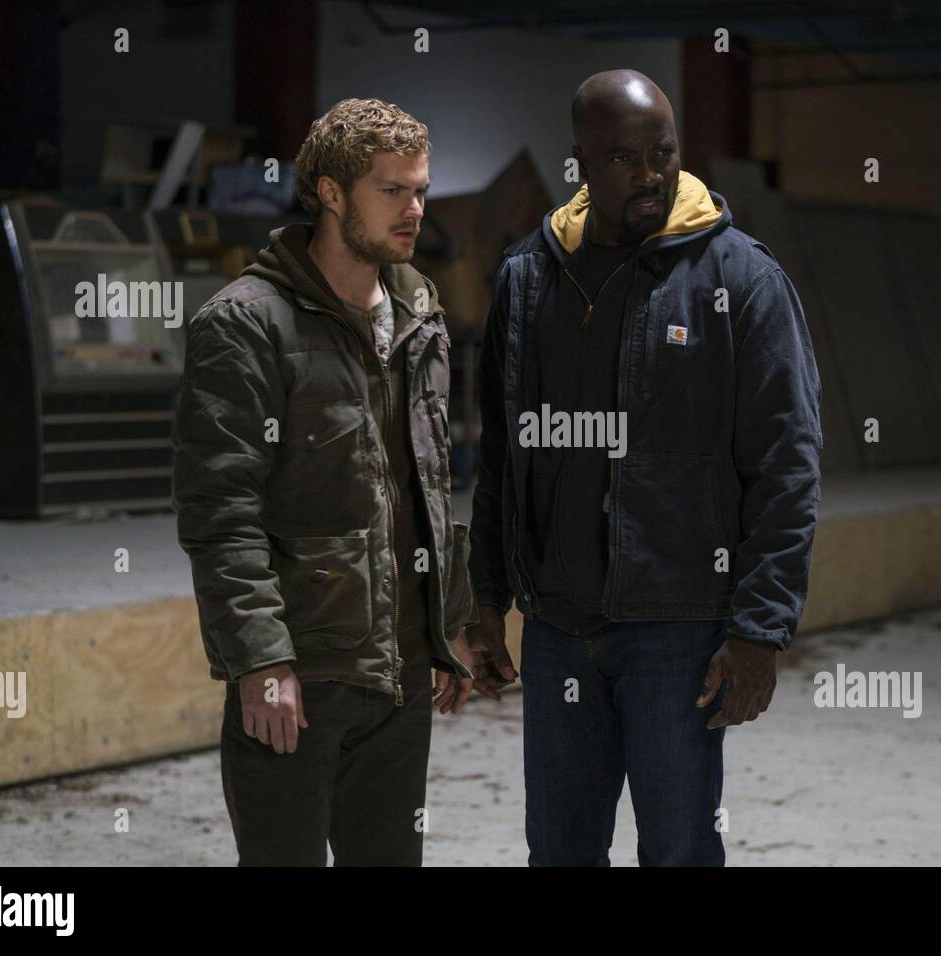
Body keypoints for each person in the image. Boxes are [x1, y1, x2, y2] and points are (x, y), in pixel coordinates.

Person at [468, 70, 824, 866]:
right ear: (581, 164)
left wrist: (761, 630)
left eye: (663, 151)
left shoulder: (741, 281)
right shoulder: (529, 280)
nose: (650, 172)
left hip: (680, 633)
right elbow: (502, 459)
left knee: (678, 852)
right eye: (623, 157)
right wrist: (486, 597)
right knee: (558, 853)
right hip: (559, 628)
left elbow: (788, 464)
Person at [172, 97, 501, 866]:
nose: (415, 210)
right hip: (302, 670)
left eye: (420, 189)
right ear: (328, 192)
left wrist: (446, 624)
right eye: (392, 191)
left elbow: (424, 482)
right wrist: (259, 660)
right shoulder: (246, 325)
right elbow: (221, 512)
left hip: (400, 670)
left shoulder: (419, 311)